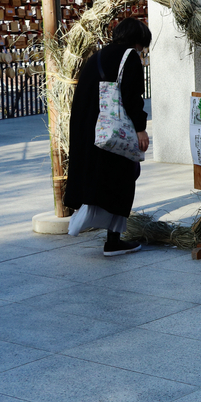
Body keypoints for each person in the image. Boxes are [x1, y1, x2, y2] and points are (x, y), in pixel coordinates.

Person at [64, 17, 151, 256]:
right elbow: (132, 96)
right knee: (125, 175)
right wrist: (141, 128)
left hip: (91, 131)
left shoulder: (97, 56)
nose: (143, 51)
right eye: (143, 45)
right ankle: (113, 240)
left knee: (102, 178)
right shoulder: (129, 56)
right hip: (115, 132)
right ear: (137, 40)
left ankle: (100, 229)